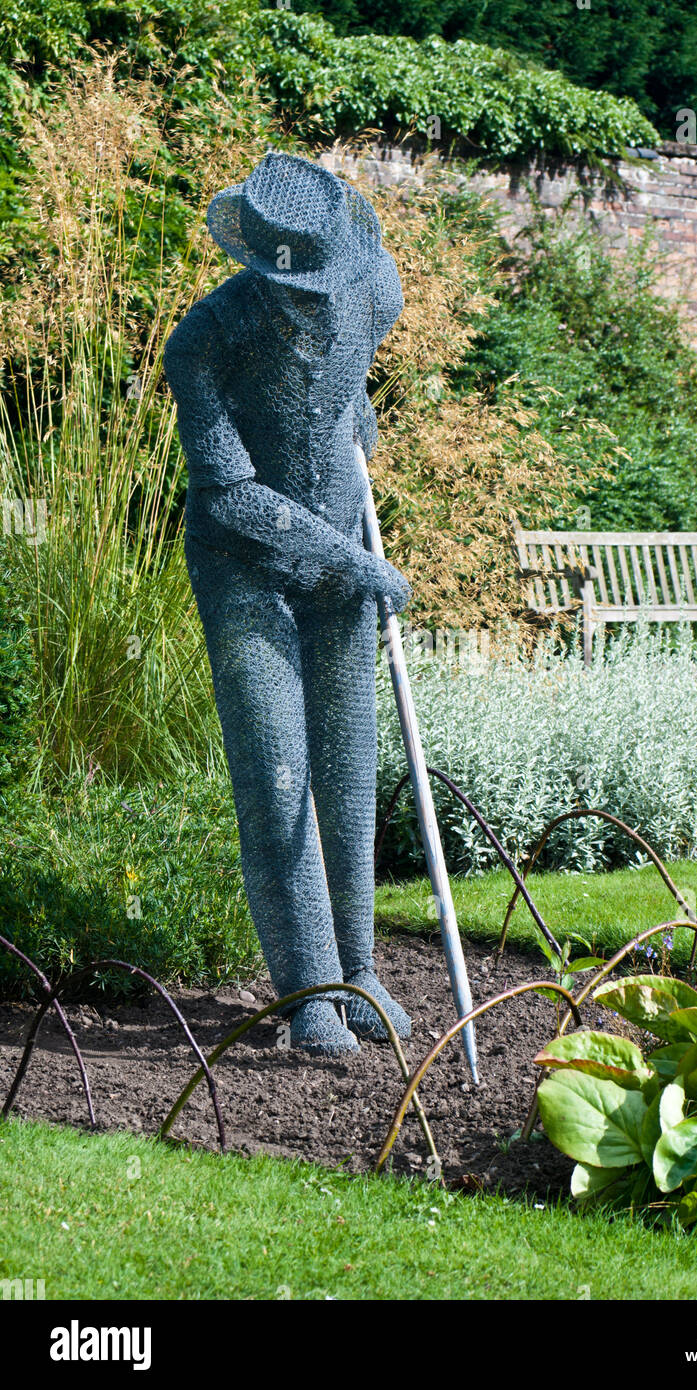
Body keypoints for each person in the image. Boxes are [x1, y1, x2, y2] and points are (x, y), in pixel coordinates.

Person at [164, 152, 412, 1054]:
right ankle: (308, 994)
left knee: (348, 775)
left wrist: (355, 431)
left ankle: (360, 974)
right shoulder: (206, 338)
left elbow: (355, 401)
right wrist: (353, 564)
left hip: (344, 558)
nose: (306, 301)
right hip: (244, 566)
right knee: (279, 776)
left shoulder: (373, 290)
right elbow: (228, 495)